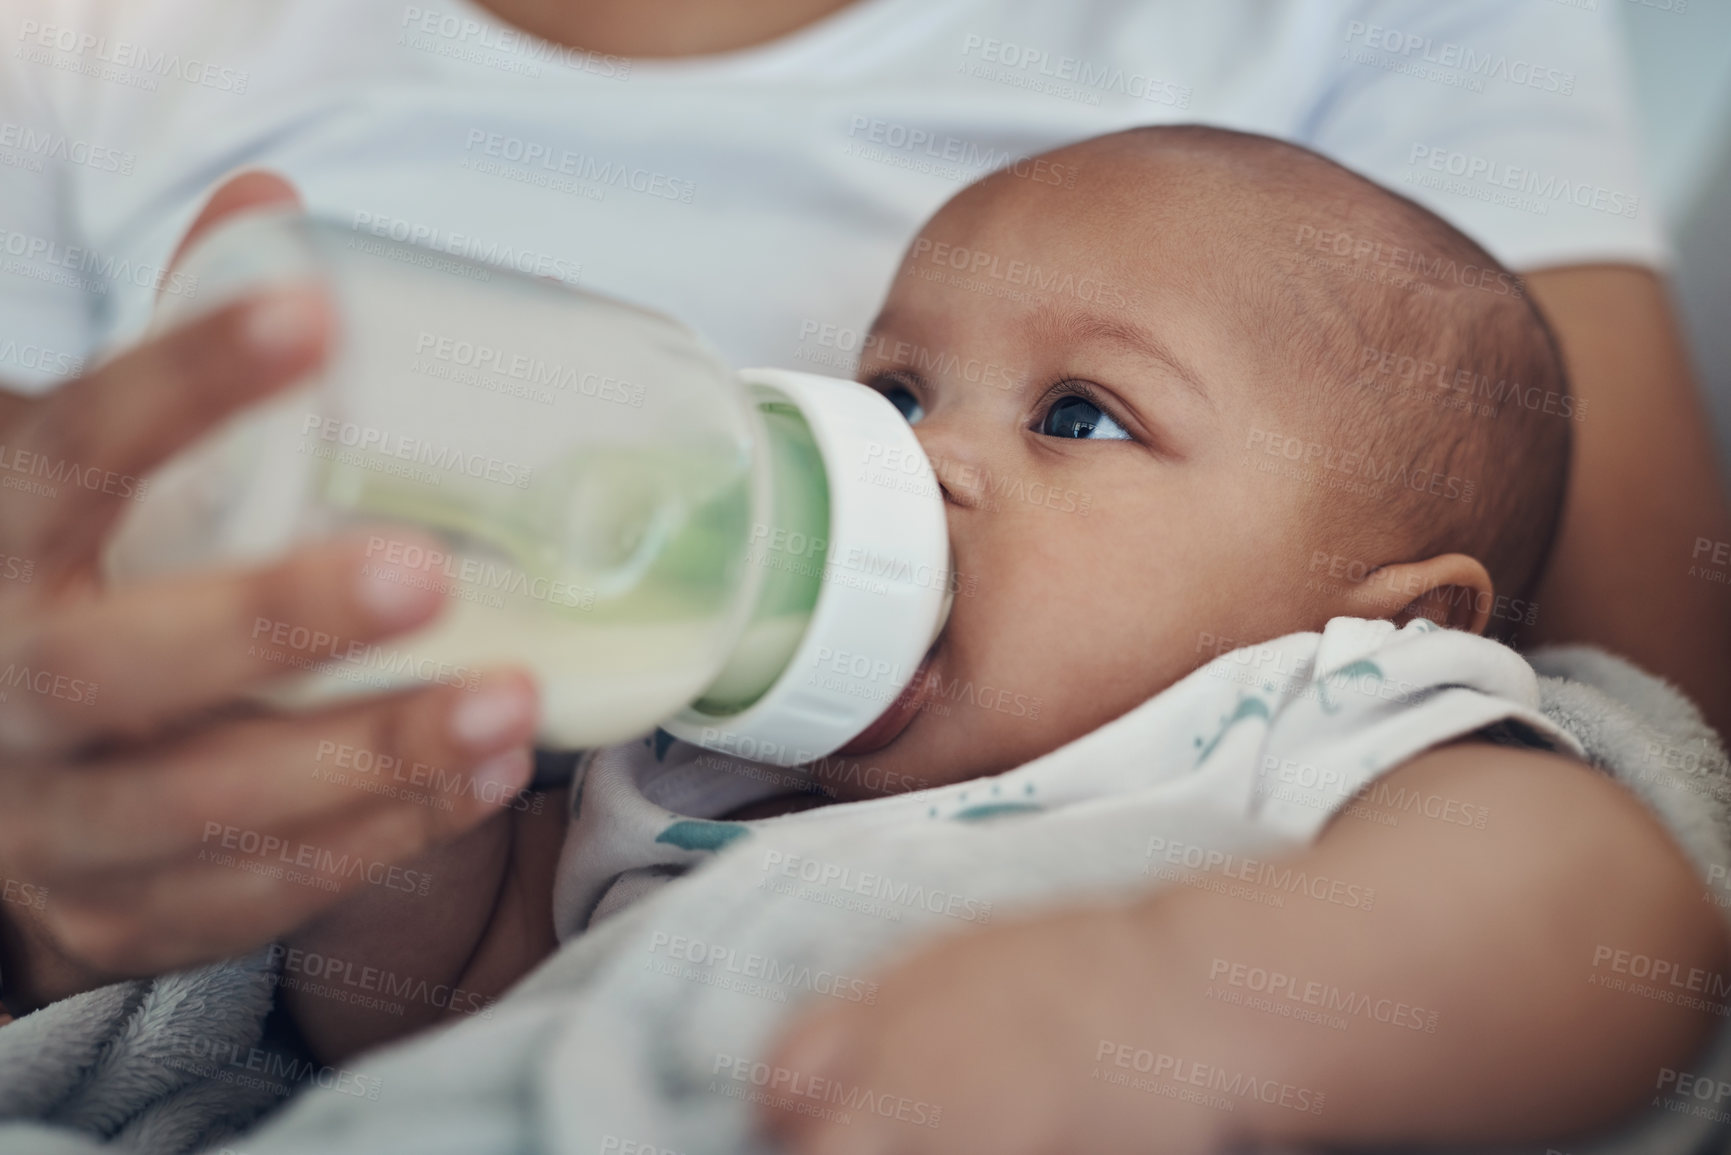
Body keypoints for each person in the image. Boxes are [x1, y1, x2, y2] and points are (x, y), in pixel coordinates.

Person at [0, 0, 1725, 1148]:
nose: (922, 457)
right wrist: (417, 801)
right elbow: (437, 1013)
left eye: (1081, 417)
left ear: (1391, 612)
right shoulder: (695, 759)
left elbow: (1605, 911)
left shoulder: (1326, 716)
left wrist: (1173, 1009)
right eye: (898, 388)